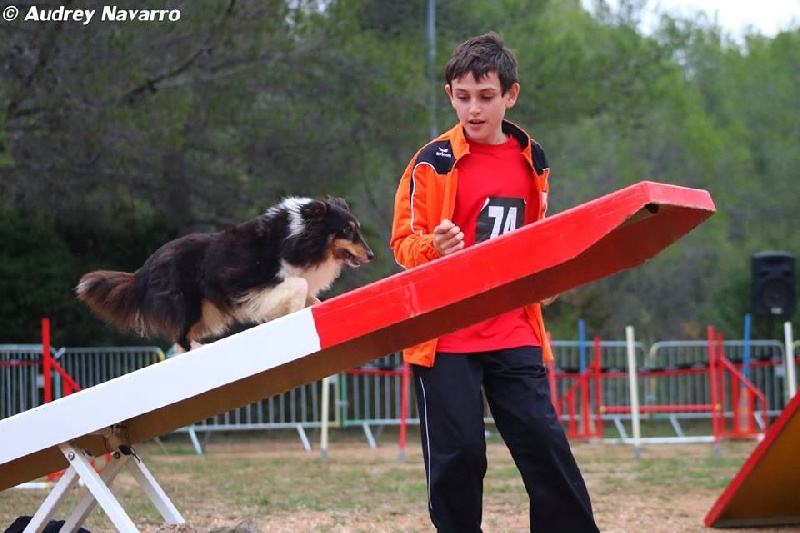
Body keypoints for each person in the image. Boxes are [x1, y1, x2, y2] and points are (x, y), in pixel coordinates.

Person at [389, 32, 599, 532]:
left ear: (511, 95)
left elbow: (535, 239)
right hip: (446, 336)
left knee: (544, 445)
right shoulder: (431, 162)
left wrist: (547, 280)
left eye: (486, 97)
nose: (474, 109)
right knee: (460, 455)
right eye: (463, 97)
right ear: (450, 96)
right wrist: (433, 249)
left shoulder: (534, 157)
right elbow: (403, 245)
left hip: (514, 328)